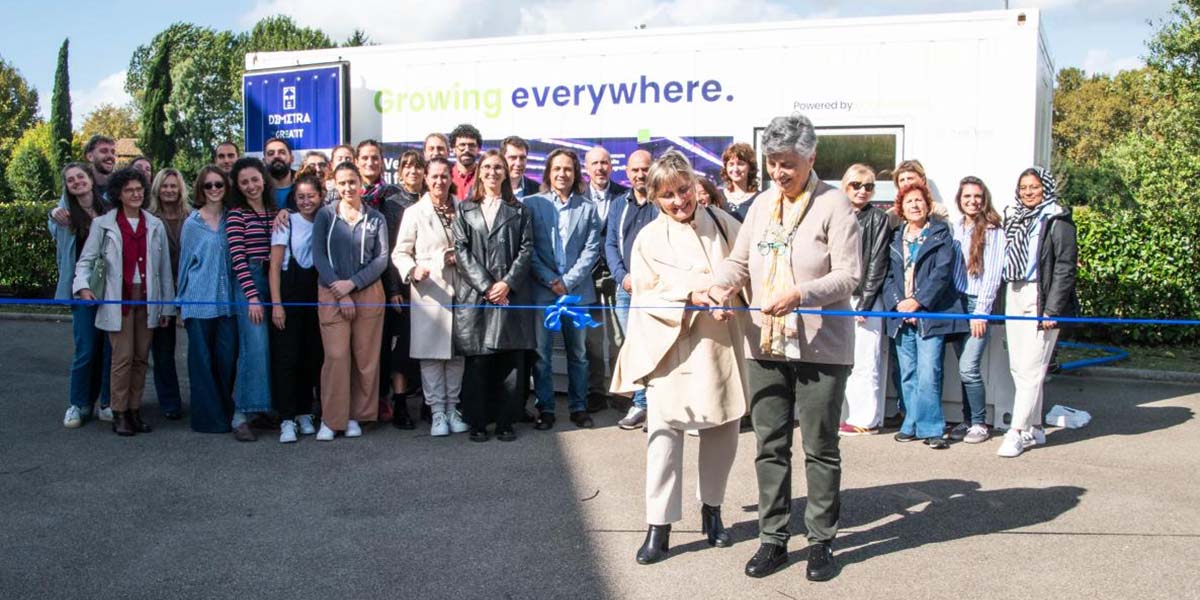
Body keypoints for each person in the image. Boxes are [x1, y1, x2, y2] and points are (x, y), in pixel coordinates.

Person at [705, 114, 861, 582]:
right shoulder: (760, 206)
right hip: (764, 345)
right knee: (770, 445)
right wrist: (720, 288)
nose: (779, 172)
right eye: (773, 163)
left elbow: (850, 275)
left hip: (821, 346)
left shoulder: (835, 205)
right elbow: (739, 261)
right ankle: (772, 539)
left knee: (819, 447)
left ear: (811, 158)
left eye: (788, 163)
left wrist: (801, 293)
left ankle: (821, 542)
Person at [609, 150, 747, 566]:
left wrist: (728, 293)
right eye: (667, 195)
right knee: (663, 436)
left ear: (695, 186)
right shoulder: (648, 239)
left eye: (684, 189)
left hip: (719, 343)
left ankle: (713, 511)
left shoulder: (725, 225)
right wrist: (693, 295)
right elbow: (645, 294)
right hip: (669, 346)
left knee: (722, 429)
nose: (679, 200)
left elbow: (747, 268)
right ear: (654, 198)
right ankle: (659, 526)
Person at [73, 168, 175, 437]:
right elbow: (85, 261)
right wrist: (83, 288)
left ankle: (134, 410)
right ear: (118, 194)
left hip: (147, 297)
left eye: (139, 189)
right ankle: (119, 411)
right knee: (122, 357)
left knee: (141, 358)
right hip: (118, 298)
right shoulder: (103, 224)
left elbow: (164, 270)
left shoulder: (154, 224)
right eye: (129, 190)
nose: (136, 194)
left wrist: (166, 307)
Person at [452, 150, 535, 442]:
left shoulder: (520, 210)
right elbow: (461, 251)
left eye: (498, 167)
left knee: (510, 362)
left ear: (506, 172)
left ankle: (505, 422)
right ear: (479, 172)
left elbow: (526, 250)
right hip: (476, 296)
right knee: (478, 363)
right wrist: (488, 286)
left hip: (509, 296)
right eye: (487, 167)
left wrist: (507, 283)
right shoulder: (464, 209)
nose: (492, 172)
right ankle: (477, 421)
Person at [998, 167, 1077, 458]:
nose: (1028, 192)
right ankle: (1037, 427)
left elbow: (1065, 268)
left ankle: (1016, 432)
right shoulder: (1014, 217)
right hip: (1014, 291)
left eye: (1034, 187)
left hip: (1040, 296)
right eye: (1023, 187)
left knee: (1032, 367)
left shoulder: (1057, 218)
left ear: (1045, 187)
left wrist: (1052, 308)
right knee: (1020, 368)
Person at [882, 182, 966, 450]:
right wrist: (900, 305)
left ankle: (932, 428)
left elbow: (941, 274)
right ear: (901, 209)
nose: (914, 205)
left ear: (928, 206)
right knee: (907, 373)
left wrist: (918, 302)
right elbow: (889, 277)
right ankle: (911, 424)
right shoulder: (894, 237)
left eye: (919, 200)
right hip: (901, 315)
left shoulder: (941, 234)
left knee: (929, 372)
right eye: (909, 202)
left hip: (930, 314)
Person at [312, 162, 390, 441]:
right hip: (332, 292)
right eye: (342, 182)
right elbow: (318, 255)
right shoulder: (324, 216)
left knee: (364, 358)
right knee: (336, 356)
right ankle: (333, 419)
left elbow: (381, 259)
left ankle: (356, 416)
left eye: (352, 182)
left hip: (368, 291)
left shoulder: (376, 218)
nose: (348, 188)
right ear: (335, 183)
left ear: (361, 184)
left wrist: (354, 284)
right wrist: (340, 290)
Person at [392, 157, 469, 437]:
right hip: (428, 291)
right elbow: (400, 252)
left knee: (457, 354)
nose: (439, 182)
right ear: (426, 178)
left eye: (444, 176)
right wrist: (413, 269)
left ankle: (453, 408)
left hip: (460, 289)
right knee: (431, 356)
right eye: (434, 176)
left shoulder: (463, 208)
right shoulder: (414, 212)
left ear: (451, 178)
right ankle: (437, 411)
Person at [525, 148, 602, 430]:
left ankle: (578, 407)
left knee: (578, 353)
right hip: (543, 290)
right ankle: (545, 408)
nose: (562, 174)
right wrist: (550, 280)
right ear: (548, 172)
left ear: (575, 173)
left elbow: (591, 250)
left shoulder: (587, 208)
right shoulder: (531, 204)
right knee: (542, 354)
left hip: (576, 291)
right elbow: (528, 249)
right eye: (557, 168)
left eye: (568, 169)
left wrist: (567, 282)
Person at [358, 139, 420, 427]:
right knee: (398, 346)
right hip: (398, 285)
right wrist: (393, 289)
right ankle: (398, 402)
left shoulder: (433, 200)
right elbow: (388, 249)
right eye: (408, 167)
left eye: (419, 167)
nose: (413, 172)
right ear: (400, 170)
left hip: (429, 286)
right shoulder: (391, 201)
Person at [176, 166, 238, 433]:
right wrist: (179, 303)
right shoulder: (192, 224)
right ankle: (207, 419)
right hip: (199, 301)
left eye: (219, 185)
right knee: (201, 362)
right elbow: (185, 264)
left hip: (229, 303)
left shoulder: (234, 218)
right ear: (201, 189)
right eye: (208, 186)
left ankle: (225, 411)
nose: (214, 190)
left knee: (226, 360)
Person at [53, 163, 112, 428]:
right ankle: (78, 403)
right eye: (70, 180)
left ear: (90, 179)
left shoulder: (109, 209)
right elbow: (52, 223)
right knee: (86, 349)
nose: (77, 182)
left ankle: (106, 401)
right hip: (82, 291)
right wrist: (53, 211)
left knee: (110, 349)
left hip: (111, 291)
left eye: (80, 177)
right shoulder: (65, 217)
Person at [947, 176, 1005, 444]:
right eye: (967, 196)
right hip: (956, 303)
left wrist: (981, 312)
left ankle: (980, 423)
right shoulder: (955, 227)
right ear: (960, 199)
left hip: (976, 304)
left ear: (985, 199)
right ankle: (967, 420)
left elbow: (992, 275)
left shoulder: (993, 230)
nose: (972, 201)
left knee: (969, 367)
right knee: (962, 366)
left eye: (977, 197)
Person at [269, 171, 324, 443]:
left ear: (320, 196)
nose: (306, 201)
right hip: (289, 295)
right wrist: (276, 304)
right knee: (287, 359)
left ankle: (305, 412)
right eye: (300, 197)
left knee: (311, 356)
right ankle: (287, 418)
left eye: (311, 196)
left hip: (316, 296)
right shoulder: (286, 222)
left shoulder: (326, 219)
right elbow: (275, 266)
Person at [227, 157, 278, 442]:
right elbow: (238, 259)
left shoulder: (274, 210)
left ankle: (263, 408)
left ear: (263, 179)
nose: (251, 186)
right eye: (244, 182)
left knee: (270, 347)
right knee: (253, 349)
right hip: (251, 283)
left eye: (254, 179)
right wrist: (252, 297)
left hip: (274, 281)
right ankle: (241, 414)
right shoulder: (236, 214)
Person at [605, 149, 656, 430]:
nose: (640, 175)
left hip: (656, 289)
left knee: (659, 346)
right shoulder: (617, 204)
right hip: (626, 288)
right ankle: (640, 403)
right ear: (627, 172)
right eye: (635, 170)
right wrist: (621, 276)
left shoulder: (661, 203)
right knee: (634, 346)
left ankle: (658, 407)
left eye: (645, 169)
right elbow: (610, 244)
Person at [839, 164, 891, 436]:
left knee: (865, 361)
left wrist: (867, 302)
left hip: (864, 298)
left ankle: (865, 419)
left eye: (868, 186)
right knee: (842, 360)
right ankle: (847, 414)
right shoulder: (837, 214)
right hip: (839, 296)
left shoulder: (878, 219)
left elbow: (877, 262)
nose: (862, 191)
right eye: (856, 185)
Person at [583, 145, 629, 413]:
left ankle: (620, 390)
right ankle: (596, 391)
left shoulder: (623, 196)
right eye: (595, 163)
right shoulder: (579, 196)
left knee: (618, 336)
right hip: (588, 275)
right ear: (587, 168)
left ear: (611, 166)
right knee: (591, 337)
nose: (600, 168)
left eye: (605, 163)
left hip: (615, 273)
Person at [146, 168, 189, 420]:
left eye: (174, 186)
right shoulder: (150, 218)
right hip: (160, 291)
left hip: (189, 290)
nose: (169, 190)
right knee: (163, 350)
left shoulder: (192, 217)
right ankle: (170, 402)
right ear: (157, 189)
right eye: (165, 186)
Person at [50, 135, 117, 226]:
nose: (110, 156)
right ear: (90, 156)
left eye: (113, 152)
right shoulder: (77, 188)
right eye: (104, 151)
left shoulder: (120, 188)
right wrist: (53, 213)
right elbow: (59, 224)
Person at [720, 142, 760, 217]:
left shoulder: (760, 199)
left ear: (750, 167)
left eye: (740, 164)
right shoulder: (718, 197)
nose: (735, 169)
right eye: (731, 164)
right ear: (726, 168)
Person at [449, 123, 482, 200]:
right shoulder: (446, 176)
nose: (467, 150)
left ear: (478, 149)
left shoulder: (485, 176)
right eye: (462, 145)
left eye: (471, 145)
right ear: (453, 149)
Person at [264, 137, 296, 210]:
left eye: (282, 152)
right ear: (264, 161)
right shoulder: (257, 188)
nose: (276, 156)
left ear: (292, 158)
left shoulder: (304, 184)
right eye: (270, 153)